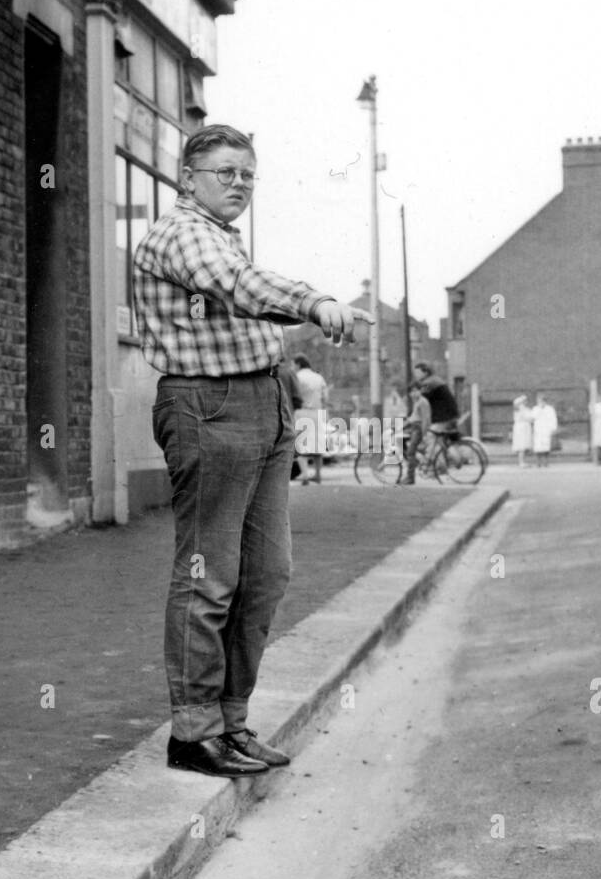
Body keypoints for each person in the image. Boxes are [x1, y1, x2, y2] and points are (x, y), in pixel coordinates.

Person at [133, 124, 372, 778]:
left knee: (266, 571)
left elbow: (246, 319)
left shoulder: (222, 239)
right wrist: (315, 301)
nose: (238, 183)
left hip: (264, 405)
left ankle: (231, 720)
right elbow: (241, 289)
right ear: (188, 177)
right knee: (209, 573)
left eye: (247, 175)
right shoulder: (182, 234)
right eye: (223, 172)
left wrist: (288, 382)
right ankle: (193, 731)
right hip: (209, 408)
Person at [292, 353, 328, 484]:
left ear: (298, 364)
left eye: (293, 364)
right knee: (318, 445)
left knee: (301, 445)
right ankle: (318, 474)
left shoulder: (297, 377)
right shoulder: (319, 377)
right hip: (317, 413)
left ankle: (305, 475)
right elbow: (325, 397)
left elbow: (293, 395)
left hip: (302, 412)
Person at [412, 361, 459, 433]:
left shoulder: (429, 383)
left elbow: (420, 400)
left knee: (428, 436)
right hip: (449, 415)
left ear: (425, 372)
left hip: (443, 417)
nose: (416, 375)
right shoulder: (434, 379)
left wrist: (410, 416)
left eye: (418, 373)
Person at [402, 386, 431, 485]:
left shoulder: (423, 402)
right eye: (411, 391)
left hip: (418, 429)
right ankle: (417, 463)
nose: (413, 393)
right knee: (404, 443)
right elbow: (413, 417)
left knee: (410, 452)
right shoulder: (417, 402)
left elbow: (425, 420)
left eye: (415, 390)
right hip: (414, 427)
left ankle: (410, 478)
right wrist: (402, 426)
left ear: (420, 391)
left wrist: (424, 435)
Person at [530, 392, 558, 467]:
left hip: (546, 429)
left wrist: (553, 428)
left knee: (546, 446)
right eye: (539, 400)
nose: (540, 402)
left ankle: (546, 462)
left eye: (542, 400)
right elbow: (533, 417)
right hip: (538, 429)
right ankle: (538, 462)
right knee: (538, 446)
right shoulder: (535, 408)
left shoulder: (550, 409)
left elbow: (553, 419)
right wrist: (539, 409)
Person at [511, 394, 534, 469]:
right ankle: (521, 462)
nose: (525, 402)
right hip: (521, 429)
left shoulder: (525, 409)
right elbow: (528, 417)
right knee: (521, 445)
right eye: (524, 401)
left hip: (524, 428)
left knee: (524, 445)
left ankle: (522, 461)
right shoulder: (520, 409)